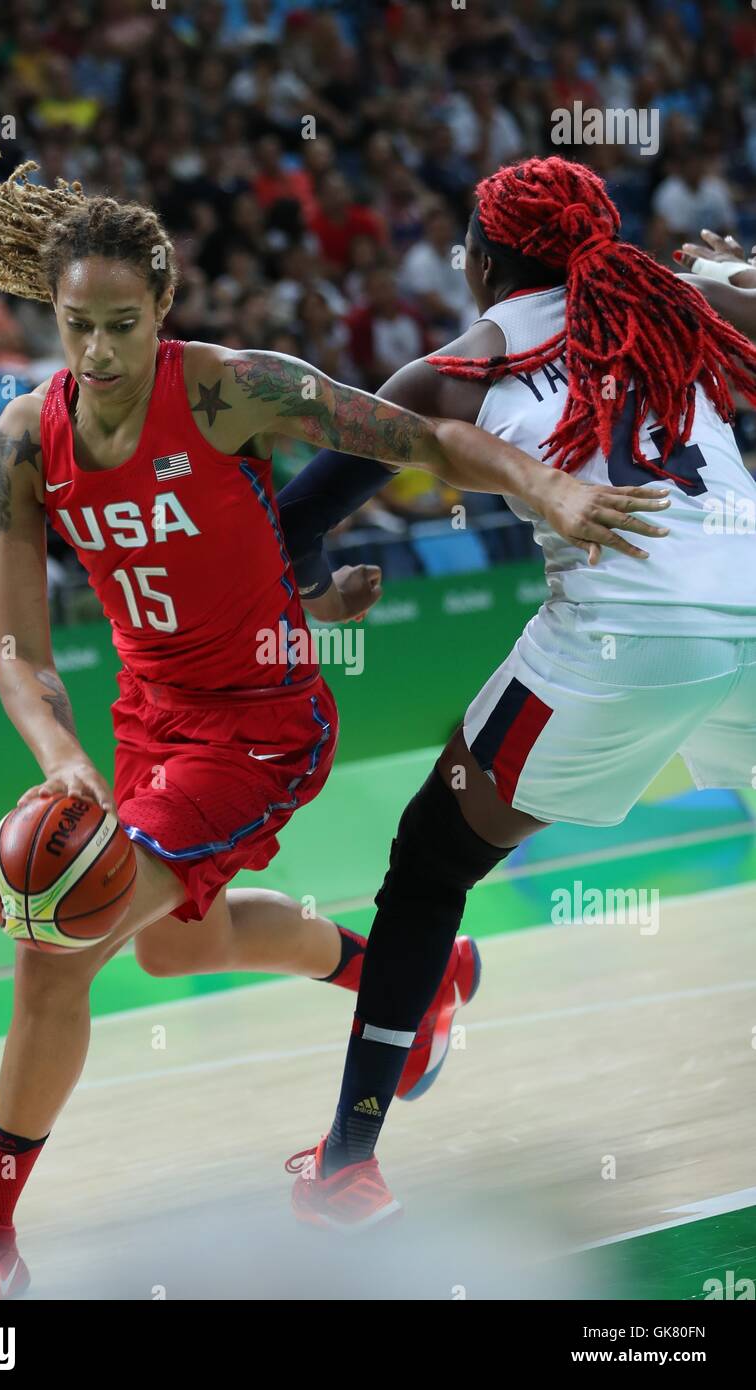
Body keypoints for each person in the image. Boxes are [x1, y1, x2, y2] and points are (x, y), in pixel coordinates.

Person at [0, 151, 665, 1299]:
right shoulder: (20, 441)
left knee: (58, 935)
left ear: (162, 309)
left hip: (259, 724)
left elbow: (421, 438)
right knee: (171, 942)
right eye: (74, 326)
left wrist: (546, 489)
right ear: (48, 317)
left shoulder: (230, 387)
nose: (98, 353)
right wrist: (60, 762)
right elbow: (19, 651)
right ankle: (414, 975)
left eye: (121, 324)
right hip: (145, 717)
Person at [277, 155, 756, 1228]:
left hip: (625, 636)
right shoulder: (676, 300)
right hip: (753, 599)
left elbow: (295, 519)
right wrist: (743, 273)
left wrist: (322, 592)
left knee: (431, 855)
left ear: (482, 258)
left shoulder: (446, 373)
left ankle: (348, 1159)